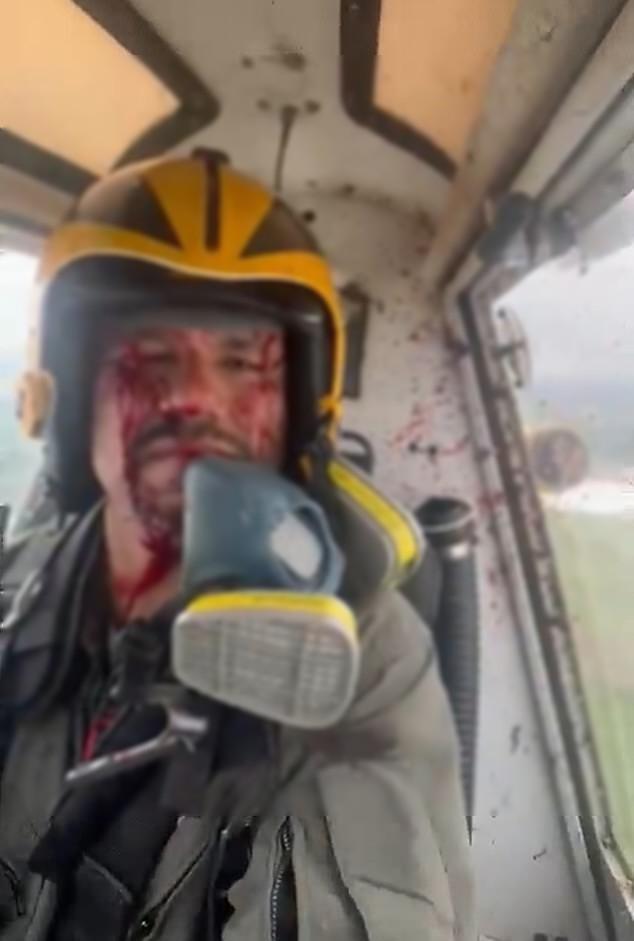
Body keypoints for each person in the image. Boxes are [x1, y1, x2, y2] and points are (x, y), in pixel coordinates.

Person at [0, 152, 475, 940]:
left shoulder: (363, 662)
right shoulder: (18, 591)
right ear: (70, 393)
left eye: (240, 363)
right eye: (148, 357)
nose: (193, 399)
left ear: (296, 414)